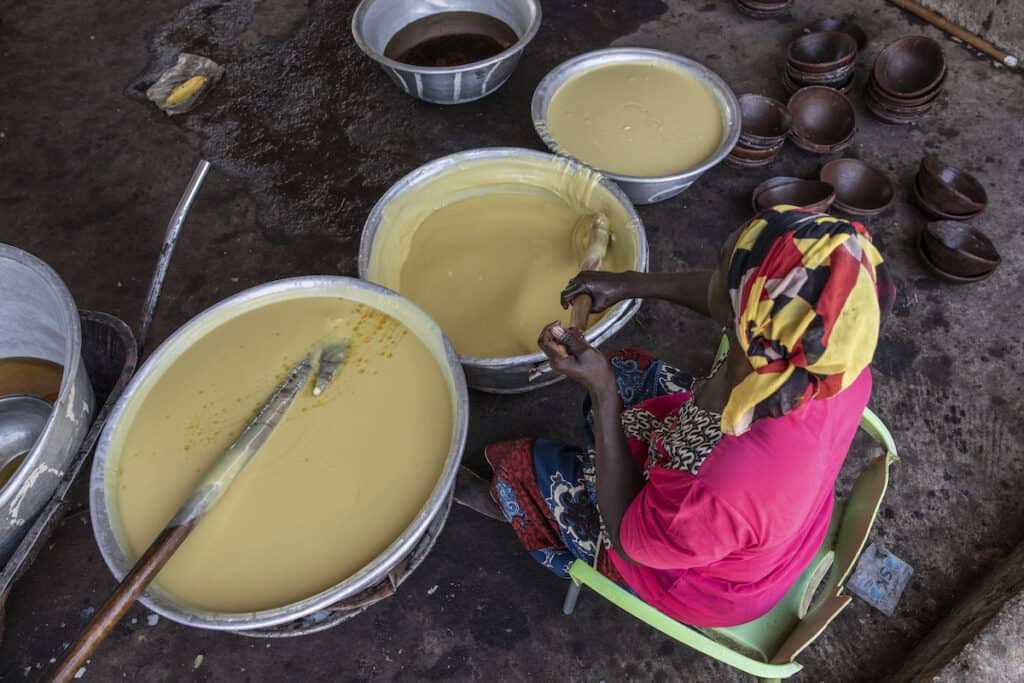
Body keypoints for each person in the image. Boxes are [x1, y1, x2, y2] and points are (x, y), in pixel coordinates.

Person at [454, 205, 896, 628]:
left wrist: (604, 393)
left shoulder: (723, 490)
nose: (716, 276)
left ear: (746, 327)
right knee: (625, 368)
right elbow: (733, 296)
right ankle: (606, 430)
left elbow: (629, 538)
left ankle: (521, 507)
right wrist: (631, 283)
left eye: (725, 271)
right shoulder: (831, 357)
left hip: (697, 578)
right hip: (774, 528)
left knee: (524, 467)